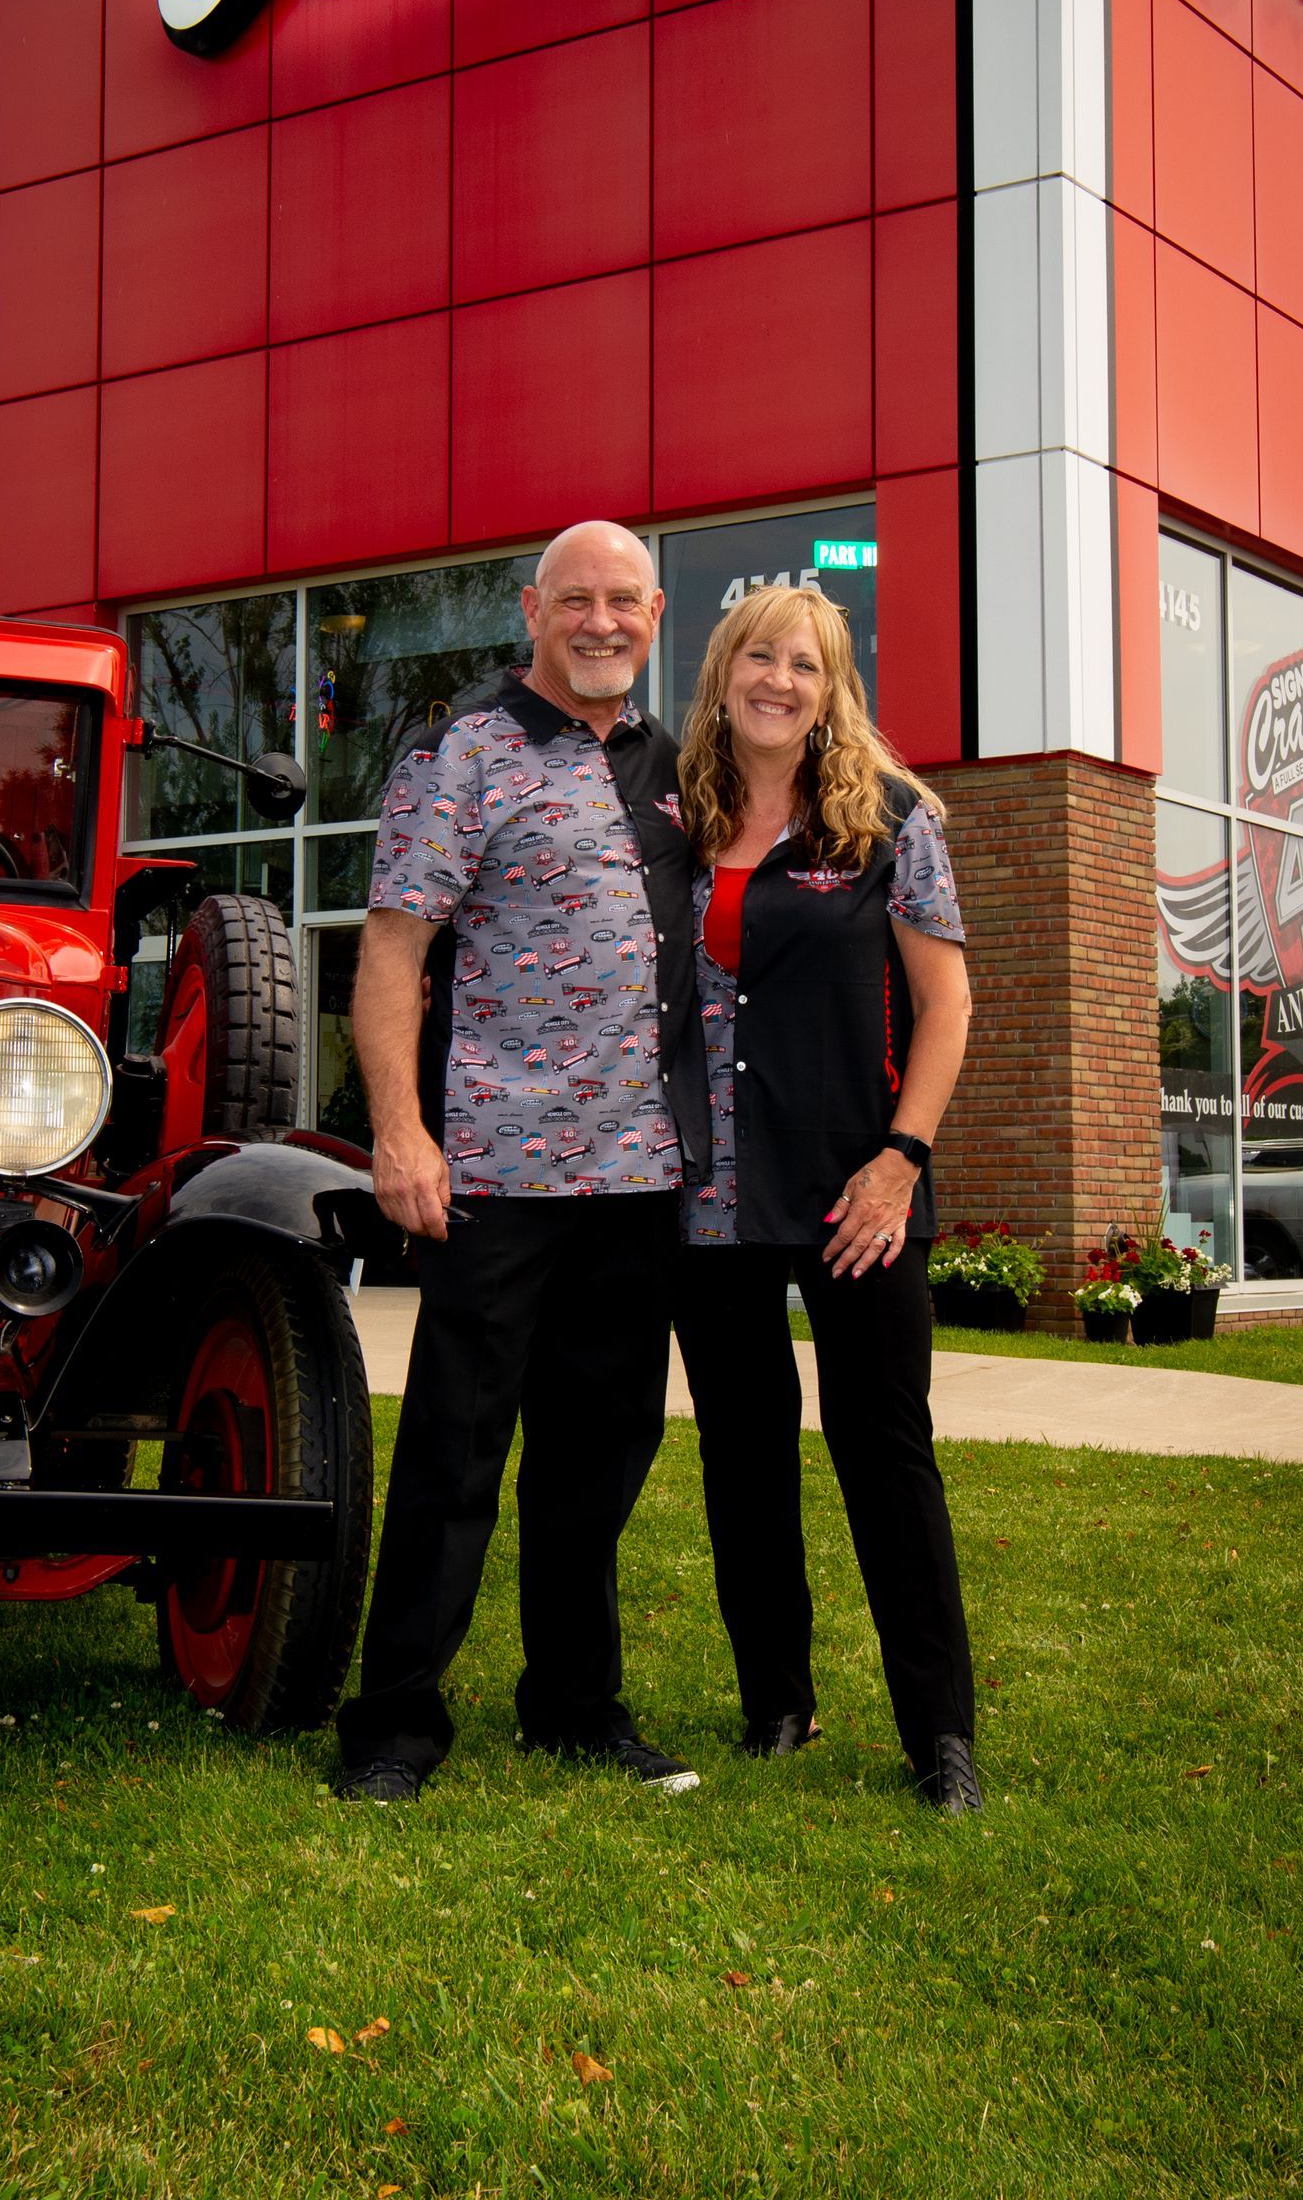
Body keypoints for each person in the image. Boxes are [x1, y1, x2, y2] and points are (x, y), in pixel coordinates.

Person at [334, 521, 710, 1805]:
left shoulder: (675, 767)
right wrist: (401, 1129)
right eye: (576, 601)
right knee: (454, 1450)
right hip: (494, 1170)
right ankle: (392, 1725)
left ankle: (573, 1704)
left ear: (656, 612)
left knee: (598, 1456)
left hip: (643, 1177)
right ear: (531, 608)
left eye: (623, 602)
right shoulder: (462, 754)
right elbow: (392, 956)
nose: (601, 622)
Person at [670, 581, 983, 1815]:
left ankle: (940, 1740)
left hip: (860, 1190)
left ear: (831, 684)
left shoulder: (890, 822)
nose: (779, 681)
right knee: (745, 1456)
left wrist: (902, 1156)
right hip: (709, 1196)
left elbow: (948, 1006)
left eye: (804, 663)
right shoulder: (677, 818)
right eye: (759, 656)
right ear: (724, 672)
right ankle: (776, 1704)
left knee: (883, 1453)